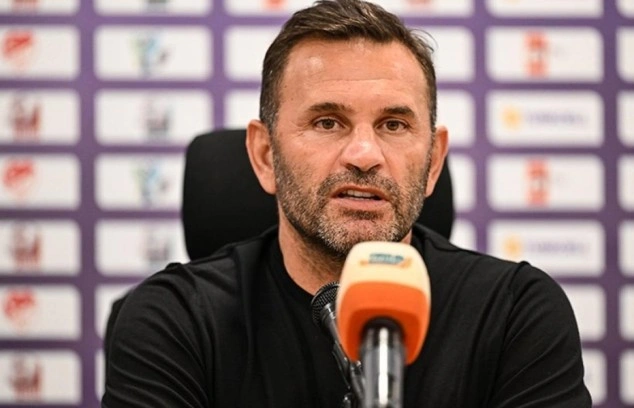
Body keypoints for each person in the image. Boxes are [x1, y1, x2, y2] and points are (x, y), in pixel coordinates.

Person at [103, 0, 592, 407]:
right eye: (327, 123)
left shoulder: (515, 312)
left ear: (433, 161)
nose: (364, 154)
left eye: (393, 125)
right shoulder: (174, 319)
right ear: (265, 156)